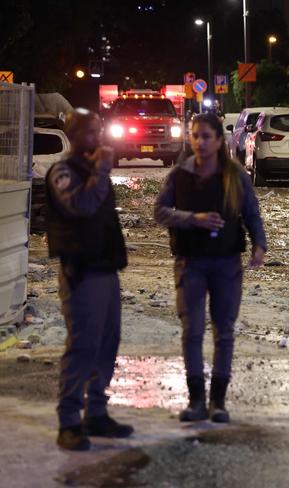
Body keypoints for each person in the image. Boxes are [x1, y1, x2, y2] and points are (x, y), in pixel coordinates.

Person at [154, 112, 267, 424]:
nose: (200, 142)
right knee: (192, 331)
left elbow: (251, 213)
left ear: (219, 140)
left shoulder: (236, 176)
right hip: (190, 263)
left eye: (206, 136)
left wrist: (260, 244)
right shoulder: (180, 175)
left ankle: (218, 401)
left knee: (224, 331)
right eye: (195, 136)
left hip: (226, 263)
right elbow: (160, 211)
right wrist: (193, 219)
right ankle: (196, 401)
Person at [45, 108, 133, 451]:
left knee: (107, 343)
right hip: (81, 272)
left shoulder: (90, 168)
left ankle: (96, 413)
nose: (99, 139)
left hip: (105, 268)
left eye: (100, 131)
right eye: (92, 132)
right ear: (75, 134)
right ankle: (69, 421)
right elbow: (81, 205)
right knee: (82, 346)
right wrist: (100, 170)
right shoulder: (63, 171)